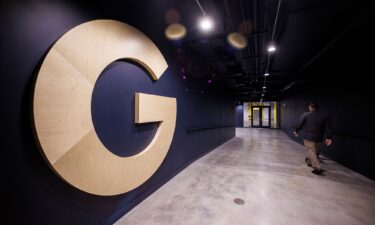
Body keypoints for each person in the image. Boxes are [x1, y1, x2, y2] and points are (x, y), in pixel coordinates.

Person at [294, 102, 333, 175]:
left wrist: (296, 130)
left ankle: (317, 167)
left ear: (310, 107)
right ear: (317, 108)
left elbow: (300, 124)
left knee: (311, 151)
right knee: (315, 150)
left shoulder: (306, 115)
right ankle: (309, 161)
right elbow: (328, 128)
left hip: (309, 137)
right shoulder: (324, 116)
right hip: (319, 137)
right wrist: (329, 137)